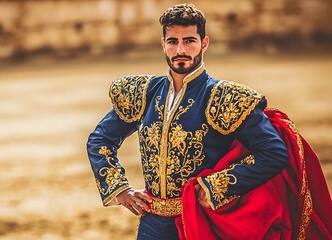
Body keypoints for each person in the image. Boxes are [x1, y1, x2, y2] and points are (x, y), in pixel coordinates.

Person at [86, 3, 331, 240]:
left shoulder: (224, 97)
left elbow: (274, 152)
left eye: (189, 41)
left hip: (203, 223)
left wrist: (216, 187)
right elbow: (100, 139)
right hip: (152, 224)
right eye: (173, 41)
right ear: (163, 45)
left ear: (204, 43)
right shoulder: (145, 93)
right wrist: (119, 189)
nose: (180, 49)